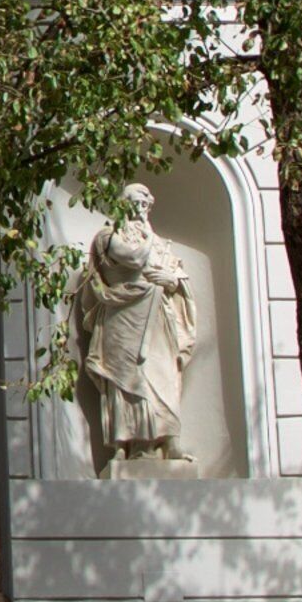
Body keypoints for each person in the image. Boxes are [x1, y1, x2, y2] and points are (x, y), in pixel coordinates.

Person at [73, 184, 199, 472]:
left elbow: (176, 277)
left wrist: (171, 279)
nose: (143, 204)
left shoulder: (160, 244)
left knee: (162, 374)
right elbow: (134, 259)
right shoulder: (108, 236)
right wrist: (148, 236)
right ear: (122, 203)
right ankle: (122, 445)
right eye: (137, 199)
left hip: (156, 316)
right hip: (121, 316)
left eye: (146, 200)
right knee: (123, 377)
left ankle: (169, 441)